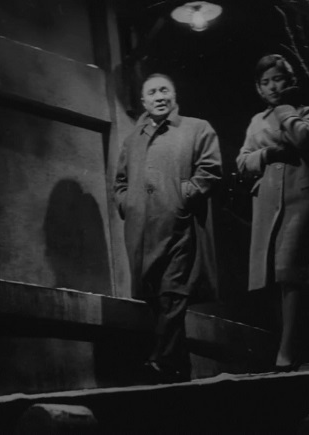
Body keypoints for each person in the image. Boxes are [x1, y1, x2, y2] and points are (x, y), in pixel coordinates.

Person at [114, 73, 221, 383]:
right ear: (143, 101)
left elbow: (210, 170)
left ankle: (159, 361)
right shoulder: (132, 140)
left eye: (164, 90)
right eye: (152, 92)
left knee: (173, 293)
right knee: (156, 299)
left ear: (174, 96)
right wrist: (129, 205)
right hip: (142, 232)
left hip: (179, 227)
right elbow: (120, 182)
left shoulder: (196, 128)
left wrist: (184, 196)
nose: (159, 96)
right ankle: (178, 373)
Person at [236, 54, 309, 372]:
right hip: (266, 200)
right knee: (273, 276)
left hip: (299, 197)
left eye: (278, 79)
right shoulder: (256, 122)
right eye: (266, 82)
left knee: (290, 272)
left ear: (290, 81)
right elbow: (242, 161)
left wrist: (286, 111)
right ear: (259, 89)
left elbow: (304, 138)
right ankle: (286, 345)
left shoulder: (308, 112)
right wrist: (267, 154)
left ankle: (287, 350)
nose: (272, 87)